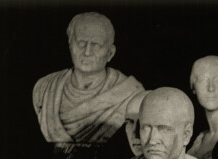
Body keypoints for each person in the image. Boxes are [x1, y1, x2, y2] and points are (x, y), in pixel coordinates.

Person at [32, 12, 143, 144]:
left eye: (96, 45)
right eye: (81, 43)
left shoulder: (131, 94)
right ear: (70, 45)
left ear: (110, 53)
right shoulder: (44, 88)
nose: (87, 52)